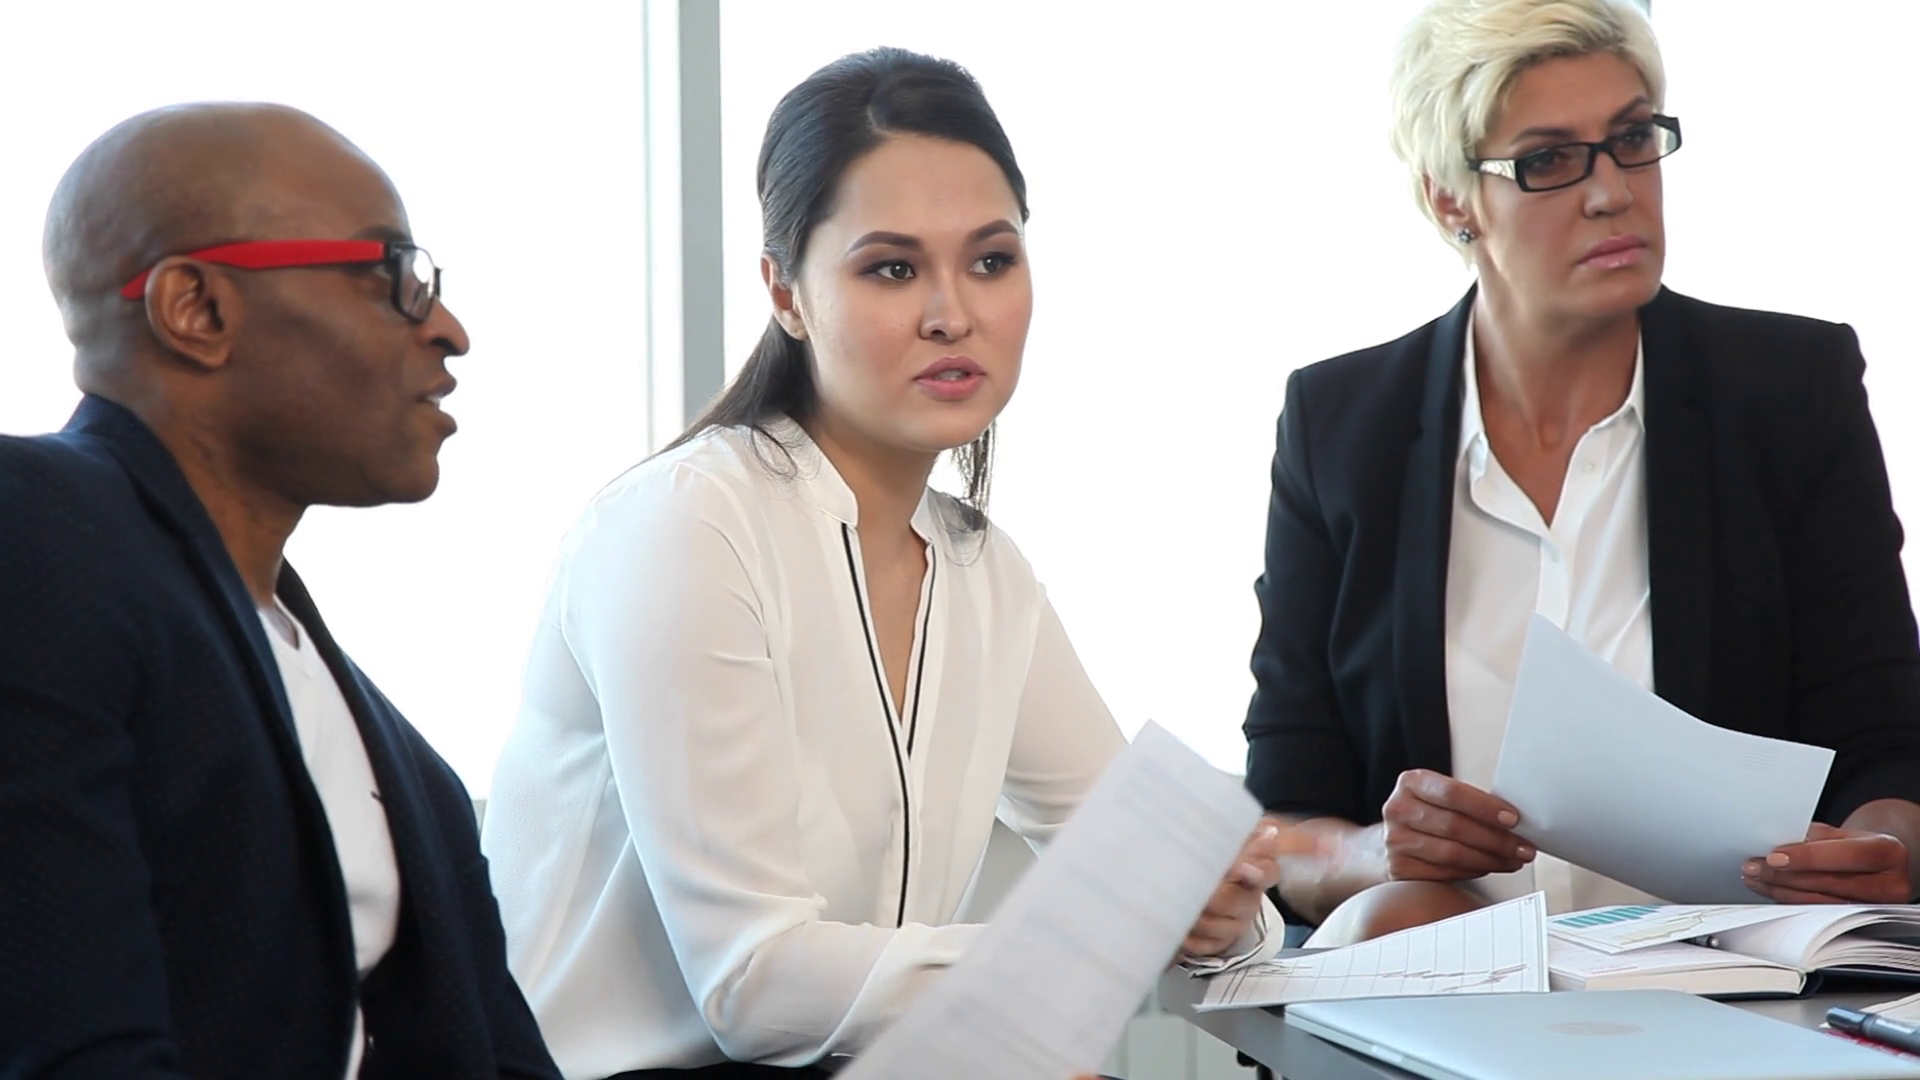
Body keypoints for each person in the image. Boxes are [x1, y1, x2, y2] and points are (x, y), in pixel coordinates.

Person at [481, 47, 1297, 1079]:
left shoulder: (985, 574)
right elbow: (753, 985)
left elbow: (1181, 893)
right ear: (785, 292)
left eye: (991, 261)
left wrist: (1213, 911)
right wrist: (1067, 955)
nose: (953, 313)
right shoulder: (687, 526)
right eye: (892, 269)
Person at [1244, 0, 1920, 946]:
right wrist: (1375, 854)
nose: (1611, 193)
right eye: (1549, 159)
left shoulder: (1789, 390)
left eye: (1632, 139)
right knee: (1389, 923)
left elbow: (1886, 742)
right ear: (1450, 199)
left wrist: (1887, 846)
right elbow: (1283, 812)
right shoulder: (1342, 424)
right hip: (1440, 985)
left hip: (1733, 982)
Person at [0, 104, 559, 1079]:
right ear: (198, 310)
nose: (449, 330)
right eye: (394, 274)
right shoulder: (32, 529)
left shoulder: (412, 773)